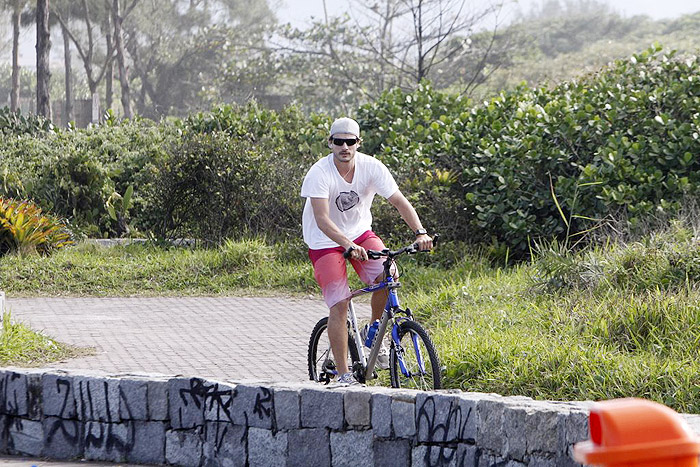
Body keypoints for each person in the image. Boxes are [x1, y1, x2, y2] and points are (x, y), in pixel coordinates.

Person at [301, 117, 433, 385]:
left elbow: (399, 201)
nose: (344, 147)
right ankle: (343, 373)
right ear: (330, 143)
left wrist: (420, 232)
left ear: (358, 143)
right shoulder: (319, 173)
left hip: (360, 233)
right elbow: (323, 220)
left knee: (389, 274)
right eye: (339, 141)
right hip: (324, 240)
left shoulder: (372, 167)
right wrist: (348, 246)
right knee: (340, 303)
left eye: (350, 141)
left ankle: (373, 332)